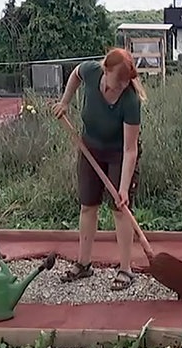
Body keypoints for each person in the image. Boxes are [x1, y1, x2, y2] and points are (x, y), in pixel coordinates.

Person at [52, 48, 146, 289]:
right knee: (87, 206)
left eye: (128, 81)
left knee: (120, 209)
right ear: (106, 71)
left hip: (119, 154)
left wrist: (123, 188)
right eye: (119, 80)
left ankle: (125, 269)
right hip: (90, 148)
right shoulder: (92, 71)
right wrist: (65, 102)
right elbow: (75, 74)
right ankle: (83, 264)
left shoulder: (130, 101)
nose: (124, 85)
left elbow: (130, 150)